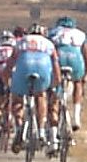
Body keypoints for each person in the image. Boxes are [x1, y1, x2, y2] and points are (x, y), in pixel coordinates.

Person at [8, 23, 61, 153]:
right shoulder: (49, 44)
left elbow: (10, 64)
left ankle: (19, 128)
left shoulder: (21, 42)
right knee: (41, 95)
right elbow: (55, 67)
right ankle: (41, 131)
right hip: (42, 72)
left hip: (24, 71)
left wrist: (7, 82)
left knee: (17, 98)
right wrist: (56, 82)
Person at [51, 15, 87, 130]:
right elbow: (86, 56)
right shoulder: (80, 34)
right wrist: (86, 74)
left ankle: (55, 110)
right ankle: (76, 117)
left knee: (55, 83)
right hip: (75, 59)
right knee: (77, 83)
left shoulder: (53, 32)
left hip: (60, 57)